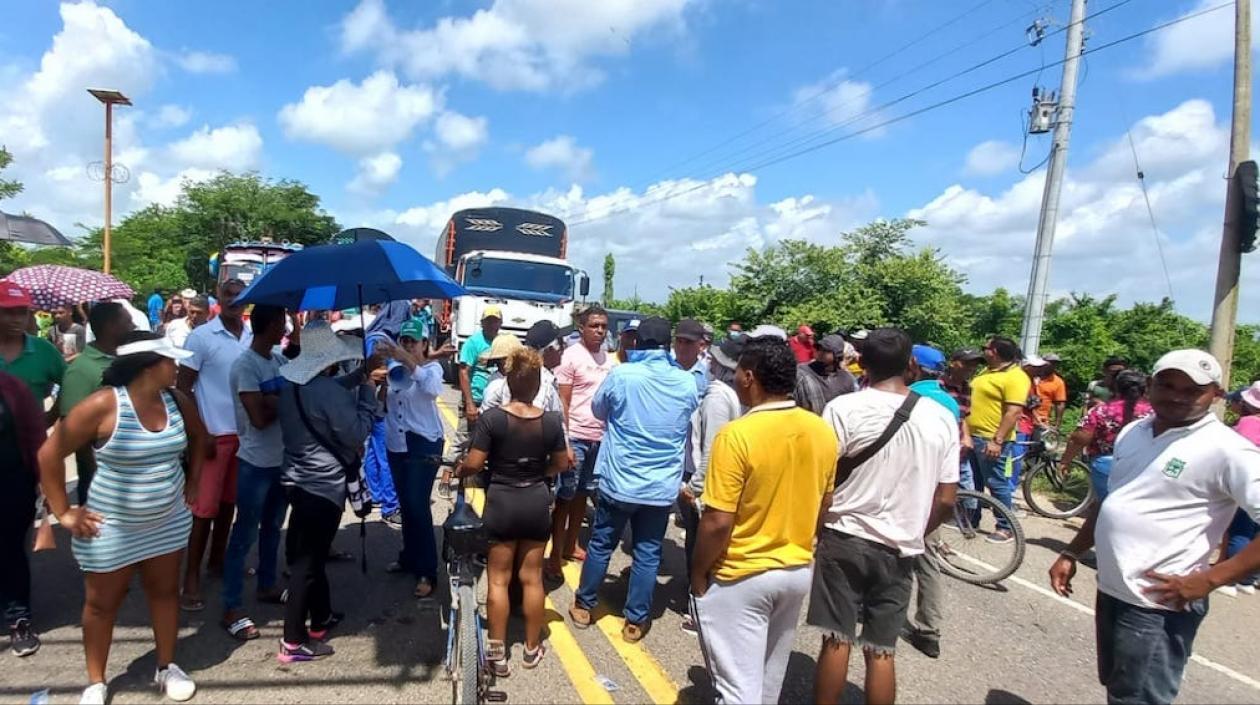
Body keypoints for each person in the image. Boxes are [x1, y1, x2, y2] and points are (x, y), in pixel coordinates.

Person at [1049, 349, 1260, 705]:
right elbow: (1114, 499)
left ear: (1216, 395)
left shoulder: (1229, 450)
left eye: (1193, 389)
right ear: (1149, 385)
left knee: (1140, 697)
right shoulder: (1134, 431)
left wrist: (1209, 579)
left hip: (1160, 603)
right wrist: (1072, 551)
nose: (1177, 396)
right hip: (1114, 589)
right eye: (1167, 384)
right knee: (1119, 688)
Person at [37, 332, 206, 704]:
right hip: (110, 525)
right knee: (101, 604)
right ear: (148, 366)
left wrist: (192, 481)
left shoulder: (178, 401)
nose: (176, 367)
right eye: (170, 361)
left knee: (164, 593)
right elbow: (50, 454)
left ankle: (166, 666)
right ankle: (96, 681)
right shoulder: (102, 406)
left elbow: (199, 437)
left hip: (167, 521)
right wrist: (63, 511)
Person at [810, 328, 959, 705]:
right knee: (881, 648)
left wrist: (814, 529)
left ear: (862, 365)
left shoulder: (843, 409)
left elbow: (823, 482)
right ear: (911, 365)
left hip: (844, 536)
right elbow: (946, 499)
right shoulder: (941, 418)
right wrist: (915, 531)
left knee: (836, 637)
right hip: (901, 546)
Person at [689, 336, 837, 704]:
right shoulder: (821, 430)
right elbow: (825, 502)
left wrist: (697, 572)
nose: (735, 378)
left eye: (738, 371)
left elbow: (717, 521)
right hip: (796, 569)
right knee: (768, 685)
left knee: (737, 689)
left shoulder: (737, 434)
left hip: (742, 573)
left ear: (750, 377)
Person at [570, 317, 700, 643]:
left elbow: (599, 410)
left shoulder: (623, 375)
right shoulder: (686, 382)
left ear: (637, 343)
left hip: (620, 479)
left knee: (601, 543)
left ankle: (585, 606)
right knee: (648, 552)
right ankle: (635, 621)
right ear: (668, 344)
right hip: (659, 487)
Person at [275, 321, 382, 663]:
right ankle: (292, 641)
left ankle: (321, 618)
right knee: (307, 563)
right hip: (322, 486)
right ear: (330, 360)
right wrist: (367, 393)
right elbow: (357, 432)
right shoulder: (329, 393)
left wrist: (360, 374)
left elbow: (327, 393)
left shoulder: (292, 384)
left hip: (294, 478)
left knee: (313, 553)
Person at [460, 347, 568, 675]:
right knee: (532, 579)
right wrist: (539, 475)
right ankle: (532, 648)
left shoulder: (493, 419)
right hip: (536, 501)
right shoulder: (550, 421)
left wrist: (460, 469)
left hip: (502, 502)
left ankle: (497, 653)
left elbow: (476, 463)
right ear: (537, 385)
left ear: (508, 382)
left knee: (498, 580)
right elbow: (561, 464)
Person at [177, 279, 251, 612]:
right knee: (203, 512)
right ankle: (190, 579)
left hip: (244, 435)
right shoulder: (202, 337)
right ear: (217, 299)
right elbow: (183, 389)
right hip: (212, 436)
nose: (234, 300)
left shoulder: (252, 336)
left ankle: (217, 563)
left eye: (240, 296)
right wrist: (199, 432)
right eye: (228, 295)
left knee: (228, 507)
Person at [220, 305, 291, 641]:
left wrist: (274, 400)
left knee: (273, 527)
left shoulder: (278, 360)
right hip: (254, 463)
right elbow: (259, 419)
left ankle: (267, 584)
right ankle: (231, 605)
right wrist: (279, 403)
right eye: (282, 321)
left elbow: (292, 397)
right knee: (243, 535)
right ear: (270, 325)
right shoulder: (245, 365)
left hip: (281, 460)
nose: (286, 326)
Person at [383, 320, 455, 600]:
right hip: (397, 443)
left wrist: (410, 363)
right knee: (406, 504)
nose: (409, 345)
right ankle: (409, 557)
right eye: (404, 340)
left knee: (417, 504)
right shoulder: (393, 369)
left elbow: (432, 389)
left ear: (426, 345)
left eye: (414, 341)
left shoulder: (432, 369)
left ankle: (427, 570)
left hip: (424, 441)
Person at [678, 335, 745, 635]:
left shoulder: (718, 396)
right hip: (717, 483)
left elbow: (711, 447)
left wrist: (694, 486)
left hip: (706, 487)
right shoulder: (729, 393)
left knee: (700, 549)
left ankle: (698, 611)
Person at [902, 344, 964, 659]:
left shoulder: (907, 397)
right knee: (927, 561)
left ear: (913, 366)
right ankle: (929, 630)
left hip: (904, 491)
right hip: (935, 493)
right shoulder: (949, 403)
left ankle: (869, 610)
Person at [552, 306, 615, 576]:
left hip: (598, 438)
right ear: (582, 328)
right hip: (575, 435)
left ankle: (572, 544)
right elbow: (562, 401)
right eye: (594, 326)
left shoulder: (608, 359)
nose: (600, 331)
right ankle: (554, 554)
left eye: (603, 326)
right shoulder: (570, 357)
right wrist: (564, 441)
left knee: (582, 494)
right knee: (565, 496)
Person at [59, 302, 136, 505]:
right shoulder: (82, 370)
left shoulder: (127, 361)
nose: (133, 326)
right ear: (111, 326)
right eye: (127, 321)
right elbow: (72, 429)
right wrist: (94, 472)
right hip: (99, 479)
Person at [965, 336, 1031, 544]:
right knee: (974, 481)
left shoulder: (1016, 377)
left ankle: (1005, 526)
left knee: (996, 482)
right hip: (975, 436)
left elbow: (1013, 412)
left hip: (991, 438)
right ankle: (972, 518)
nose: (983, 351)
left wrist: (998, 440)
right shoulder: (988, 372)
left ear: (995, 352)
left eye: (986, 348)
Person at [1, 370, 47, 657]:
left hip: (11, 483)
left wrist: (45, 480)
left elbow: (35, 436)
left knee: (9, 550)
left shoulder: (12, 387)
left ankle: (19, 618)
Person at [1057, 370, 1151, 504]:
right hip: (1143, 467)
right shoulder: (1154, 414)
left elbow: (1080, 437)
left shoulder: (1101, 410)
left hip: (1105, 465)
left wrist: (1065, 461)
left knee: (1105, 505)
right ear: (1144, 389)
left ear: (1116, 387)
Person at [363, 301, 412, 527]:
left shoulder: (371, 334)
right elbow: (377, 371)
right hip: (380, 402)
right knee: (385, 455)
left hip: (367, 402)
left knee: (373, 451)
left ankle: (375, 494)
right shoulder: (383, 340)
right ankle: (390, 507)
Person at [444, 307, 502, 474]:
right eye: (489, 321)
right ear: (482, 323)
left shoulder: (500, 343)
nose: (492, 324)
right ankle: (446, 474)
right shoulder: (473, 342)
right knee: (463, 438)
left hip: (493, 400)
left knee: (487, 440)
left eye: (495, 321)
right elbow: (463, 371)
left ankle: (473, 472)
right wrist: (469, 403)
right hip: (475, 398)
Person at [0, 283, 65, 427]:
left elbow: (70, 384)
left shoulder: (44, 350)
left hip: (31, 441)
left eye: (22, 312)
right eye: (9, 312)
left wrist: (52, 415)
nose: (17, 319)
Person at [795, 333, 858, 415]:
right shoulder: (802, 373)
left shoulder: (846, 379)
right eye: (819, 349)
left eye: (826, 351)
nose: (820, 353)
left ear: (836, 355)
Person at [1034, 353, 1069, 429]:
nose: (1052, 365)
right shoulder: (1032, 375)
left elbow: (1060, 404)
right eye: (1050, 362)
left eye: (1055, 363)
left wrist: (1057, 424)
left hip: (1042, 420)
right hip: (1024, 418)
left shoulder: (1058, 382)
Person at [674, 318, 708, 393]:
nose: (682, 347)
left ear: (701, 346)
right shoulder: (664, 371)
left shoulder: (708, 376)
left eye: (688, 342)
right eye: (679, 341)